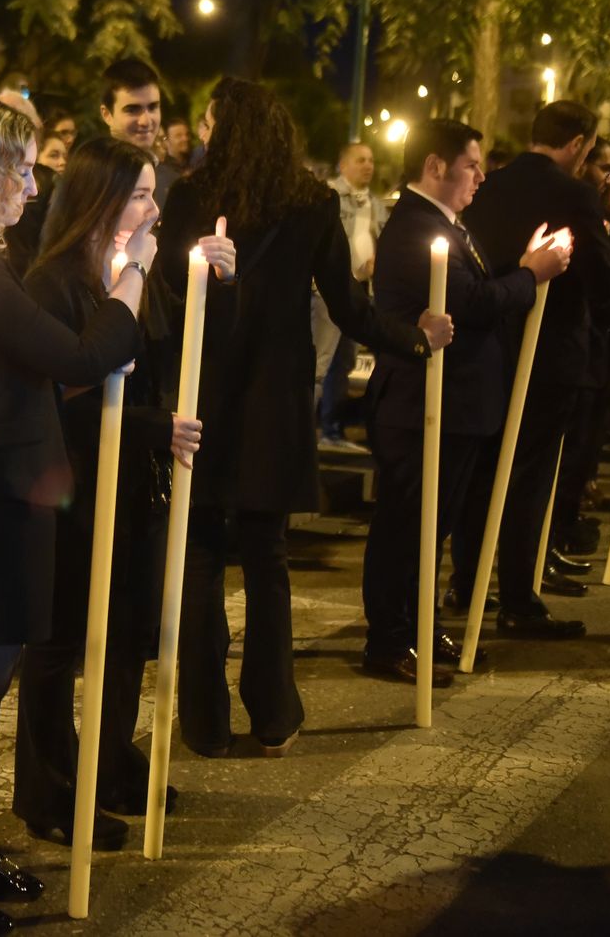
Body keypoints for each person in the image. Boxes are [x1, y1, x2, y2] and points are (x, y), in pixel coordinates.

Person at [0, 97, 162, 931]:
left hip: (7, 490)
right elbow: (78, 354)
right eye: (15, 165)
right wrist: (132, 277)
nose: (28, 181)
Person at [164, 77, 450, 758]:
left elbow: (169, 289)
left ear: (224, 129)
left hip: (203, 393)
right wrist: (414, 336)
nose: (203, 132)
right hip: (275, 401)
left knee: (201, 553)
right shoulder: (310, 204)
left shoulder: (189, 198)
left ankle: (202, 720)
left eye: (209, 120)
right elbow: (349, 307)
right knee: (266, 557)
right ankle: (273, 711)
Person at [13, 136, 216, 845]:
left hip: (130, 485)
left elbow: (157, 355)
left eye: (154, 191)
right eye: (139, 193)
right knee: (59, 641)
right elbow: (69, 392)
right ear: (99, 200)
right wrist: (155, 426)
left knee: (125, 632)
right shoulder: (56, 282)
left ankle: (108, 762)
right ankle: (48, 789)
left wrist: (202, 281)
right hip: (71, 484)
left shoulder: (136, 269)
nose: (155, 207)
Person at [360, 119, 569, 685]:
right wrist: (532, 273)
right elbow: (473, 302)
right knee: (409, 525)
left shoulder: (445, 224)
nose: (481, 175)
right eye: (473, 164)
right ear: (436, 165)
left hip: (456, 404)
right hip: (422, 402)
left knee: (436, 525)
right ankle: (389, 639)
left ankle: (420, 627)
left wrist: (522, 267)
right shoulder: (413, 227)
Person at [461, 101, 610, 634]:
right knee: (531, 477)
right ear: (578, 143)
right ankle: (517, 597)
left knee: (484, 470)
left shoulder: (491, 184)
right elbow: (599, 277)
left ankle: (467, 583)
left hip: (492, 341)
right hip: (551, 348)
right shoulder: (572, 193)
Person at [316, 143, 387, 452]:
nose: (368, 166)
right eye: (361, 160)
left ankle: (331, 429)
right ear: (343, 165)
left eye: (371, 160)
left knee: (343, 362)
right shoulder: (328, 197)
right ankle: (310, 430)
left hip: (357, 291)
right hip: (328, 292)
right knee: (320, 364)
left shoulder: (374, 203)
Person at [99, 59, 179, 210]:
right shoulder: (92, 179)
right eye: (132, 110)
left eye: (153, 107)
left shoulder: (172, 181)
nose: (146, 121)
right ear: (107, 114)